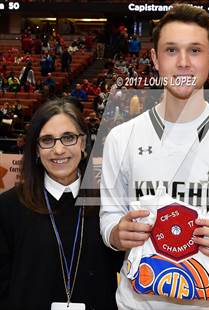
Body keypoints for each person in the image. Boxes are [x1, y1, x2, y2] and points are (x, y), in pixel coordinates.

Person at [100, 4, 209, 310]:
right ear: (155, 59)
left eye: (196, 50)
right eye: (172, 50)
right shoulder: (121, 139)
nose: (184, 63)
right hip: (138, 304)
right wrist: (115, 233)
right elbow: (109, 217)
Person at [0, 99, 122, 310]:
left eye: (68, 138)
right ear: (36, 150)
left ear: (83, 144)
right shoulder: (8, 207)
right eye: (47, 140)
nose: (58, 150)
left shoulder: (110, 204)